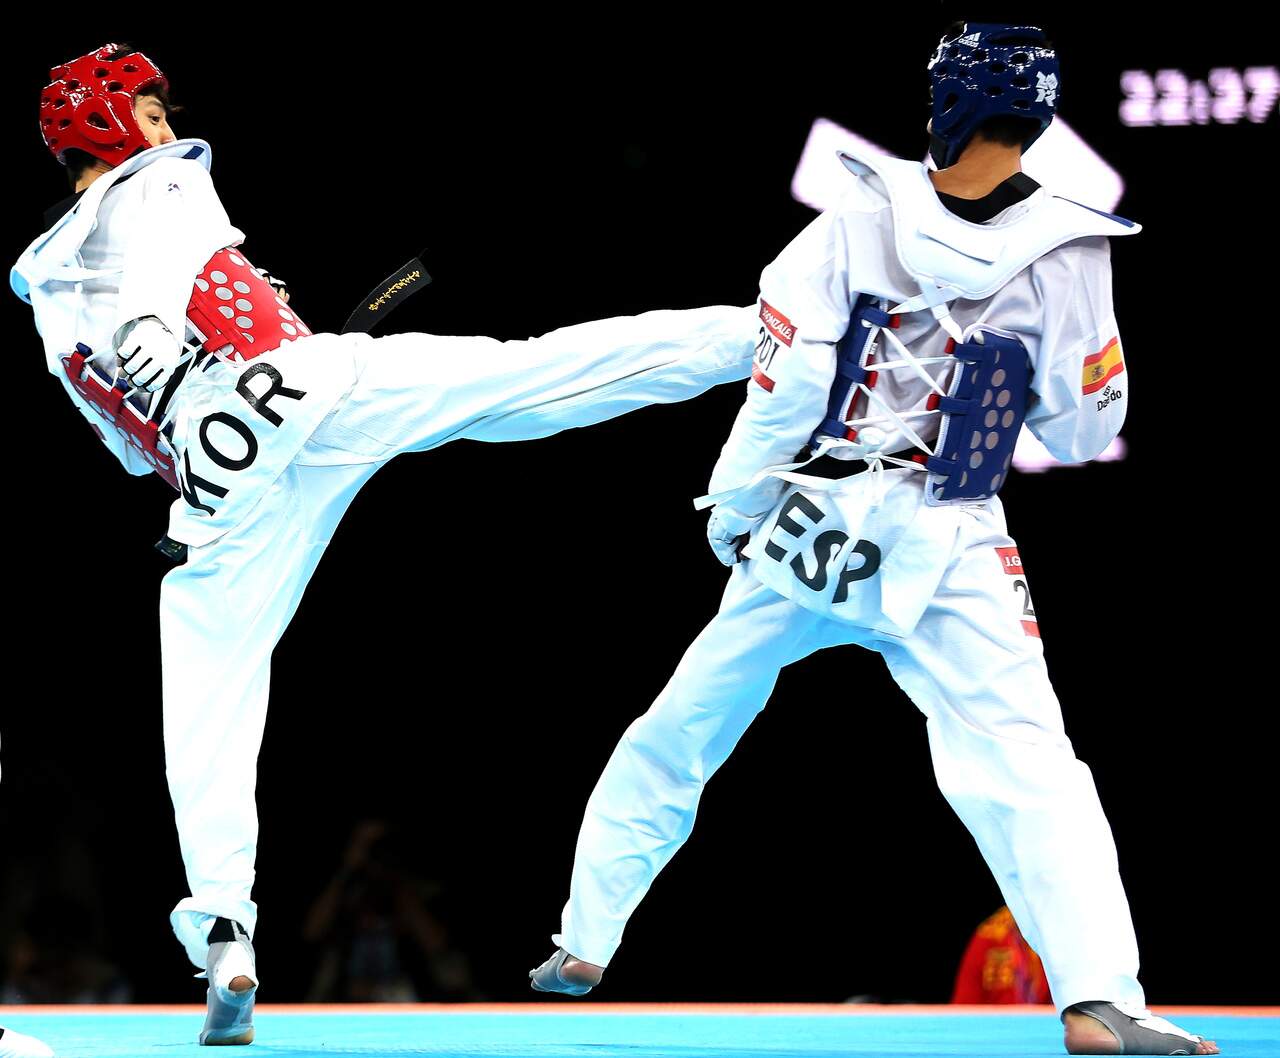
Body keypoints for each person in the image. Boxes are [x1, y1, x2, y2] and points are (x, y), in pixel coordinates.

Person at [13, 43, 755, 1046]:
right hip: (303, 387)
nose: (164, 124)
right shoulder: (166, 179)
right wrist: (214, 348)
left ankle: (225, 929)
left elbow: (119, 435)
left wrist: (197, 430)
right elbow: (169, 290)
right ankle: (757, 334)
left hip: (213, 479)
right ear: (104, 122)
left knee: (207, 698)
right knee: (530, 379)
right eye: (147, 109)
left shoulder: (44, 286)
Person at [529, 22, 1218, 1057]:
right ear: (1035, 120)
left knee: (684, 723)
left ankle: (583, 941)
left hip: (820, 513)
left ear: (944, 101)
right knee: (1031, 762)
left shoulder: (855, 220)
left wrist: (733, 505)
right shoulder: (1071, 248)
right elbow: (1083, 434)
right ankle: (1098, 998)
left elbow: (787, 384)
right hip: (951, 529)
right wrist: (1015, 380)